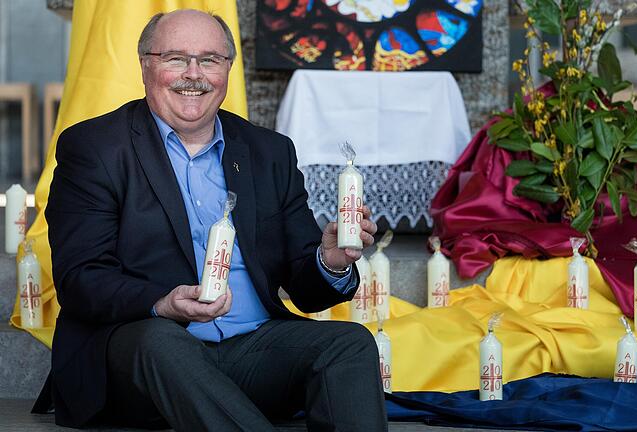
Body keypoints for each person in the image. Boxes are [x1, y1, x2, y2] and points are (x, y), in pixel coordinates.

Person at [34, 9, 386, 431]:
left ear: (227, 69)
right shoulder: (95, 148)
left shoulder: (268, 152)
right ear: (146, 64)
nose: (194, 74)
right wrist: (162, 304)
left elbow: (305, 290)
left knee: (349, 344)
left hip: (250, 351)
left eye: (210, 60)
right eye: (176, 58)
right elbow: (80, 279)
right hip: (143, 359)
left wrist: (330, 260)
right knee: (161, 340)